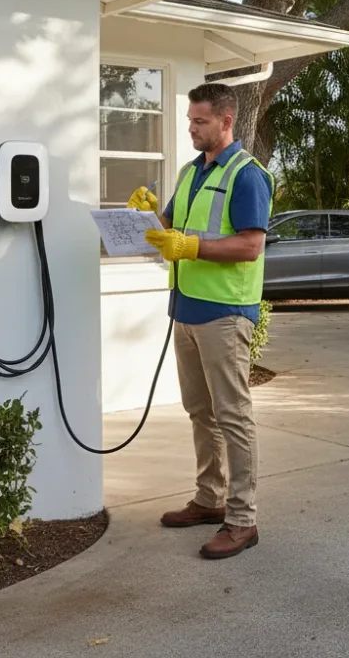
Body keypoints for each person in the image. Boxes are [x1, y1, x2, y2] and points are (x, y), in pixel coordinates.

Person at [127, 82, 273, 560]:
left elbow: (251, 246)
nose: (191, 127)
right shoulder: (191, 173)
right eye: (190, 120)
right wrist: (150, 217)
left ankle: (242, 519)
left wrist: (192, 247)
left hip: (225, 314)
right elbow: (172, 231)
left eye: (199, 121)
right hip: (187, 308)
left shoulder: (247, 176)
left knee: (233, 416)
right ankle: (210, 499)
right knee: (199, 412)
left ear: (226, 122)